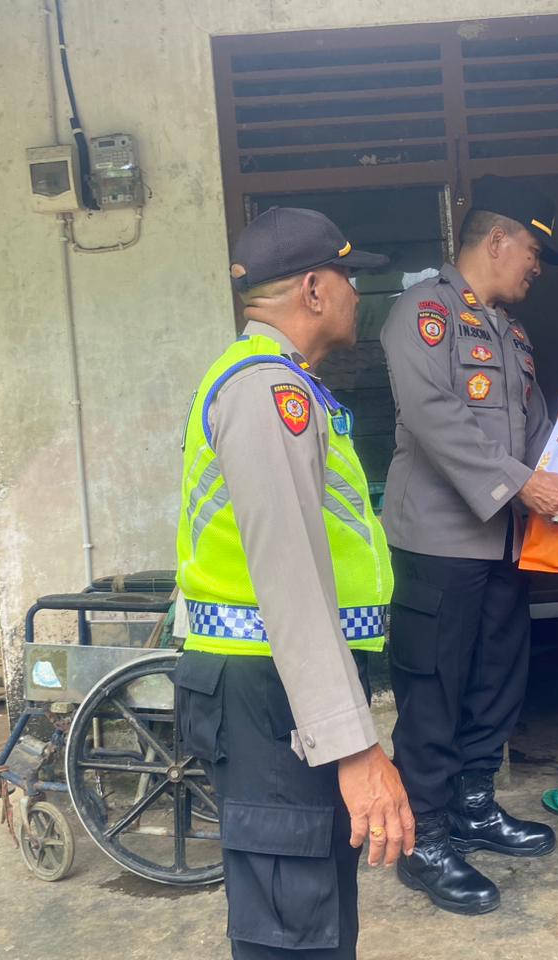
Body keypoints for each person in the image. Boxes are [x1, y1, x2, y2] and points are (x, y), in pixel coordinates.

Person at [173, 207, 415, 960]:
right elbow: (291, 579)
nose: (356, 294)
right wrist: (353, 746)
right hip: (271, 694)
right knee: (295, 928)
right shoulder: (265, 392)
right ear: (313, 289)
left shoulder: (281, 385)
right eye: (348, 278)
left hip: (282, 687)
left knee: (312, 914)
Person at [380, 175, 558, 915]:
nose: (537, 268)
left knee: (496, 680)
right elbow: (432, 415)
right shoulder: (424, 313)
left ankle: (473, 806)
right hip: (439, 541)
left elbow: (535, 432)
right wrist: (524, 485)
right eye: (534, 251)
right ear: (496, 240)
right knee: (433, 690)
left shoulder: (512, 334)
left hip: (504, 539)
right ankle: (425, 837)